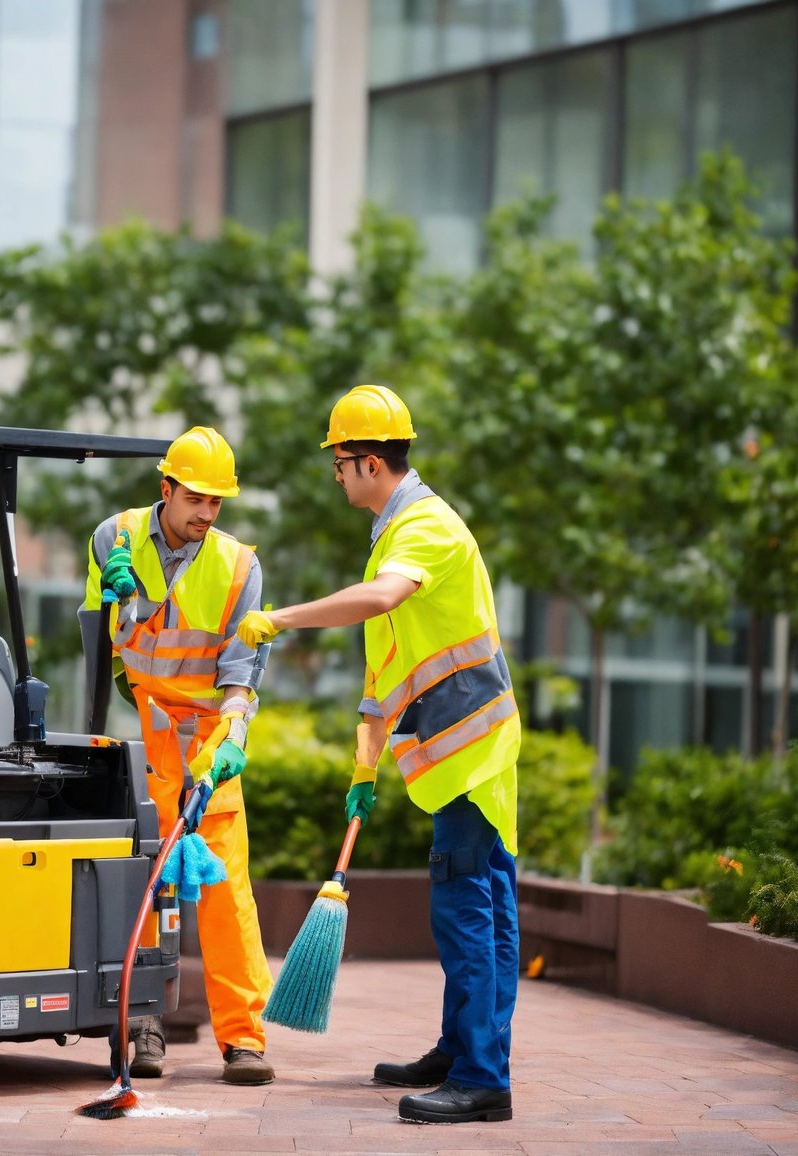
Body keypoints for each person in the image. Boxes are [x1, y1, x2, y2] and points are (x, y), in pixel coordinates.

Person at [236, 385, 521, 1124]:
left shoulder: (425, 526)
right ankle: (463, 1051)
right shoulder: (396, 529)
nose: (336, 477)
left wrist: (282, 619)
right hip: (462, 749)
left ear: (366, 463)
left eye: (338, 464)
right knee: (478, 904)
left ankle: (483, 1077)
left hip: (471, 752)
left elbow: (379, 601)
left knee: (468, 909)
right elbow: (386, 666)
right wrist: (365, 766)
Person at [81, 425, 274, 1086]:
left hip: (209, 741)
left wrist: (231, 746)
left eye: (217, 503)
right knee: (148, 884)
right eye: (196, 497)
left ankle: (243, 1039)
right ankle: (143, 1024)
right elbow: (106, 652)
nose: (206, 513)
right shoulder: (114, 538)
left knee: (225, 890)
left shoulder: (241, 566)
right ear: (165, 489)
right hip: (146, 735)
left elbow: (241, 679)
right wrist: (121, 602)